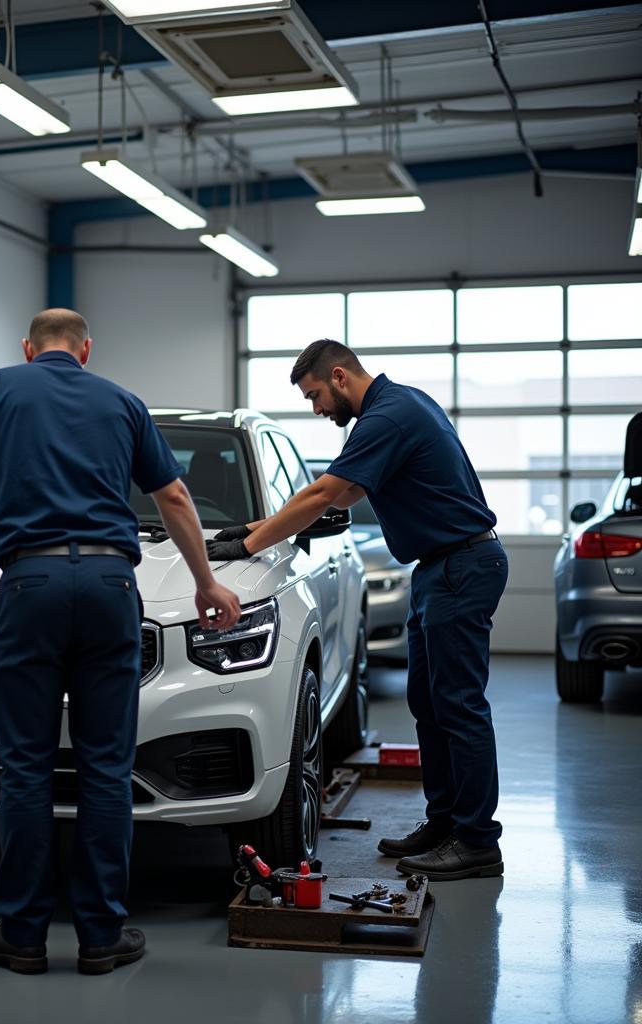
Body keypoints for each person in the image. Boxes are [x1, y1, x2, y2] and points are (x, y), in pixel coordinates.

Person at [0, 308, 241, 974]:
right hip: (110, 586)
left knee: (27, 767)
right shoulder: (124, 402)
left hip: (28, 585)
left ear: (28, 348)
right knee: (105, 767)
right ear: (85, 351)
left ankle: (22, 935)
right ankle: (103, 936)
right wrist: (205, 583)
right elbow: (178, 498)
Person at [206, 338, 508, 882]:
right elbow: (340, 498)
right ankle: (444, 823)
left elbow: (325, 493)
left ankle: (477, 841)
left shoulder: (386, 417)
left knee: (459, 705)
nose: (317, 408)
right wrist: (253, 528)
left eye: (316, 395)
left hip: (461, 565)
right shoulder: (400, 405)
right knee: (430, 703)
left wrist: (249, 546)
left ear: (340, 377)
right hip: (441, 568)